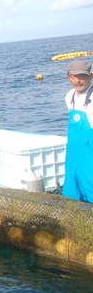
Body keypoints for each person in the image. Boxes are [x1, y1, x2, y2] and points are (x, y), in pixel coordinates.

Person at [63, 60, 93, 201]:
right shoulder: (70, 96)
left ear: (90, 76)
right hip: (74, 154)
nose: (78, 80)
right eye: (74, 76)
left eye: (82, 76)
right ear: (68, 76)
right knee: (72, 188)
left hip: (90, 156)